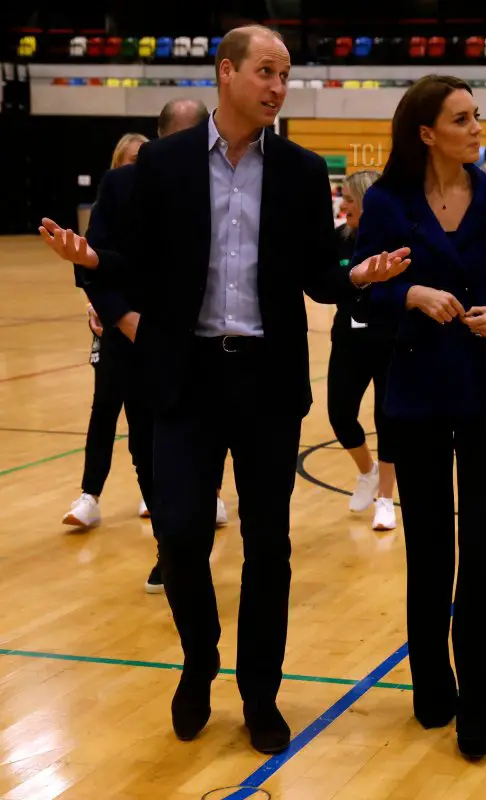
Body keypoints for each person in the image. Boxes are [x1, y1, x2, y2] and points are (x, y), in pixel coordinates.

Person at [39, 25, 409, 754]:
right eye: (266, 72)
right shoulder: (164, 166)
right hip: (187, 376)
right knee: (179, 535)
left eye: (285, 75)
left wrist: (355, 276)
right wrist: (92, 259)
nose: (277, 87)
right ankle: (200, 655)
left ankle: (259, 691)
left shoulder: (302, 172)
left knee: (269, 548)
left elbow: (316, 274)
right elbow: (128, 257)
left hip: (266, 381)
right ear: (227, 72)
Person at [352, 74, 486, 762]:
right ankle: (432, 686)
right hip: (417, 389)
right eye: (461, 118)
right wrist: (408, 294)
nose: (476, 127)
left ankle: (484, 708)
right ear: (426, 132)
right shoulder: (387, 202)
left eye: (477, 116)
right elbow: (362, 295)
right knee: (428, 549)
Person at [52, 100, 223, 596]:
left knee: (200, 443)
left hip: (204, 343)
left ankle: (190, 531)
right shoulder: (121, 185)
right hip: (134, 341)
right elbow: (92, 262)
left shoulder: (225, 185)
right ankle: (169, 548)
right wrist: (123, 318)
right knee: (145, 448)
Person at [62, 131, 150, 531]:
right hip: (114, 327)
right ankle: (89, 496)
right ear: (117, 167)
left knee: (145, 416)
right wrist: (99, 305)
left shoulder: (160, 207)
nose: (136, 166)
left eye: (142, 159)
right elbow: (91, 264)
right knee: (104, 410)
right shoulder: (108, 205)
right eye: (129, 160)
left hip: (151, 328)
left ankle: (153, 493)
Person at [327, 169, 400, 531]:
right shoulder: (338, 239)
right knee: (339, 414)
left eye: (350, 199)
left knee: (387, 419)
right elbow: (329, 284)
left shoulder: (395, 241)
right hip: (348, 341)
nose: (343, 205)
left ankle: (386, 499)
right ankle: (366, 471)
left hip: (389, 342)